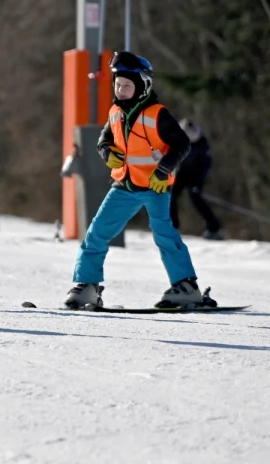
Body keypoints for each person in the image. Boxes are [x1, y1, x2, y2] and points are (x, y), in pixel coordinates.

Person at [64, 51, 216, 310]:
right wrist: (107, 153)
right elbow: (105, 140)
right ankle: (87, 285)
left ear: (142, 87)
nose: (120, 90)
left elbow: (181, 145)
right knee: (97, 233)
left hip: (156, 187)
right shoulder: (115, 112)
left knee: (164, 235)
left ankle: (186, 286)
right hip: (124, 186)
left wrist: (163, 170)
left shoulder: (158, 114)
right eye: (117, 85)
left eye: (126, 86)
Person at [171, 118, 223, 240]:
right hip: (181, 172)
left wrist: (198, 182)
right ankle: (172, 227)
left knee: (196, 199)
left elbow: (205, 165)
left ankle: (214, 228)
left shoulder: (201, 143)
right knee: (171, 196)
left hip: (196, 174)